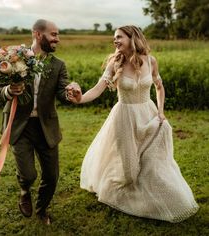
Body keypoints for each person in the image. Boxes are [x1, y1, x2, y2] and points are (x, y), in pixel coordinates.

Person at [66, 25, 199, 222]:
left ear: (132, 37)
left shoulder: (151, 61)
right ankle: (121, 189)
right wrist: (80, 98)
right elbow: (97, 89)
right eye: (114, 38)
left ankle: (162, 199)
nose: (115, 41)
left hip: (148, 115)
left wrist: (161, 112)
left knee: (152, 162)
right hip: (124, 118)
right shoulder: (114, 63)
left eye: (119, 37)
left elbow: (159, 87)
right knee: (129, 172)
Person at [0, 19, 81, 225]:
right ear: (37, 34)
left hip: (46, 126)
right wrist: (8, 90)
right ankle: (25, 190)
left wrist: (71, 92)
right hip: (19, 125)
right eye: (53, 34)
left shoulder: (58, 65)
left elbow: (62, 91)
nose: (57, 39)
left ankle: (42, 209)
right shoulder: (12, 59)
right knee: (29, 174)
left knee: (52, 177)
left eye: (57, 35)